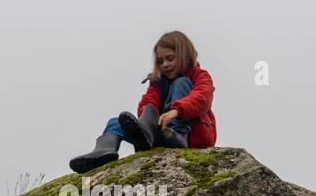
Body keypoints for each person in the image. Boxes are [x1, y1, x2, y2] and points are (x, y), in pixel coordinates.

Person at [69, 30, 217, 173]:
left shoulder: (200, 76)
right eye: (160, 61)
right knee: (116, 122)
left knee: (181, 82)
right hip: (161, 133)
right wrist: (145, 123)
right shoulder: (158, 82)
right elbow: (148, 102)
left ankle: (177, 134)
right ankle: (104, 151)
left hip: (185, 138)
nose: (165, 64)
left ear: (184, 55)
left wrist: (176, 111)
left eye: (170, 59)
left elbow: (201, 98)